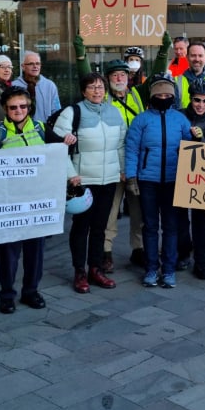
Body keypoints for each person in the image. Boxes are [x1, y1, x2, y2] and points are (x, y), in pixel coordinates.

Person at [0, 86, 66, 312]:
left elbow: (59, 152)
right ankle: (6, 294)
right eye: (13, 107)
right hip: (8, 204)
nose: (18, 110)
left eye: (23, 106)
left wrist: (68, 143)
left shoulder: (40, 129)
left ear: (29, 107)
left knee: (34, 251)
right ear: (4, 109)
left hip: (36, 202)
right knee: (8, 252)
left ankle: (31, 291)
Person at [54, 73, 126, 294]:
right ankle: (79, 271)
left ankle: (95, 269)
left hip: (109, 179)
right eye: (92, 87)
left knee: (100, 227)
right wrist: (70, 174)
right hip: (83, 180)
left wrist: (122, 169)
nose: (97, 91)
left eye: (100, 87)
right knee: (81, 227)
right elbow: (58, 146)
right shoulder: (72, 112)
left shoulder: (114, 112)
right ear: (83, 91)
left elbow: (121, 145)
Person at [125, 74, 194, 288]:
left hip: (173, 180)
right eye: (159, 94)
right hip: (148, 180)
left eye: (167, 94)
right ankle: (152, 268)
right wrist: (131, 177)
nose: (163, 97)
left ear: (172, 97)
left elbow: (189, 147)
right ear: (153, 96)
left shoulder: (181, 119)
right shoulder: (142, 120)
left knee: (171, 226)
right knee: (150, 226)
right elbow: (132, 149)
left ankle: (169, 269)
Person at [95, 59, 147, 271]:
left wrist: (163, 49)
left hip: (135, 161)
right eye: (115, 75)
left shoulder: (136, 95)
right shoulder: (103, 101)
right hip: (112, 163)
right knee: (110, 210)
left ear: (129, 78)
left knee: (138, 210)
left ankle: (139, 249)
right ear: (108, 79)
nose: (119, 78)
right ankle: (106, 252)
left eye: (123, 75)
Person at [177, 79, 205, 279]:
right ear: (190, 98)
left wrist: (202, 140)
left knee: (202, 220)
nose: (201, 105)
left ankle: (201, 262)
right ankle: (183, 254)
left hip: (204, 179)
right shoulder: (180, 116)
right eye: (197, 100)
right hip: (180, 175)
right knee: (180, 220)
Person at [174, 42, 205, 117]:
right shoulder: (176, 81)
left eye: (200, 56)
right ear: (187, 57)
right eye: (193, 55)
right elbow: (174, 112)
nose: (197, 59)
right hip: (182, 127)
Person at [12, 51, 60, 124]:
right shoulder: (14, 86)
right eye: (31, 64)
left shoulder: (50, 85)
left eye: (38, 63)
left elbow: (56, 111)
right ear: (23, 67)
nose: (35, 66)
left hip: (45, 130)